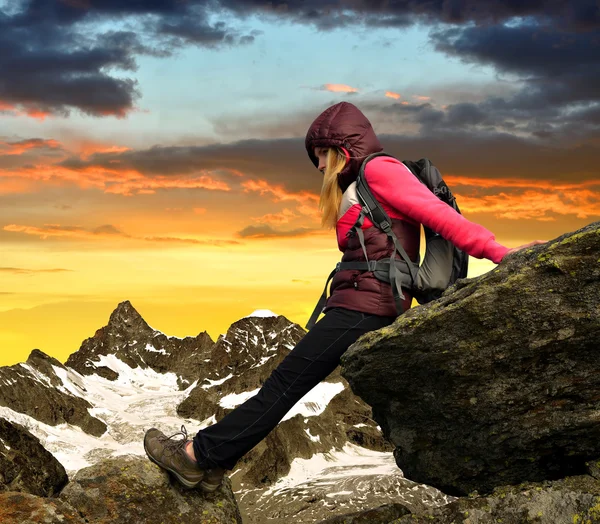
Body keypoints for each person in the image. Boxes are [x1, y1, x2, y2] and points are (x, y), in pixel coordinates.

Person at [143, 101, 545, 492]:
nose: (318, 166)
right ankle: (214, 464)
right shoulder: (359, 182)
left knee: (282, 386)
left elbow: (442, 217)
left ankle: (198, 456)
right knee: (285, 386)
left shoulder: (382, 170)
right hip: (358, 303)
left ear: (343, 148)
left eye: (322, 154)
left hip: (364, 307)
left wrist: (504, 255)